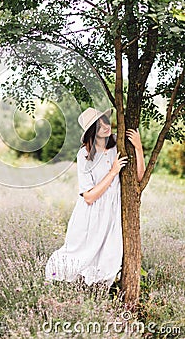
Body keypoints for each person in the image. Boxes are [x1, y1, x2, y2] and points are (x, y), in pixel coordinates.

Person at [45, 107, 145, 290]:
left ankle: (96, 294)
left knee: (109, 256)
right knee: (79, 254)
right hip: (90, 215)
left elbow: (139, 179)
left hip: (113, 213)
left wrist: (138, 148)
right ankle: (58, 283)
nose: (106, 126)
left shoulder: (118, 145)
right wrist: (113, 172)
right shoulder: (84, 155)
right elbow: (89, 197)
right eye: (99, 125)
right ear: (92, 131)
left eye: (105, 121)